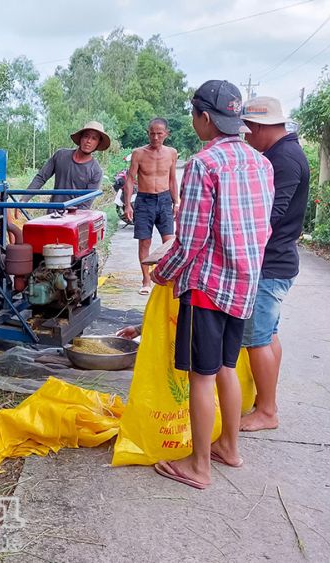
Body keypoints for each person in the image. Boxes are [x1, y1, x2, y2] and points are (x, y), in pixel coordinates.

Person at [150, 80, 274, 490]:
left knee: (201, 376)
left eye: (193, 114)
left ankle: (199, 466)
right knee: (226, 367)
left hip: (206, 287)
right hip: (243, 286)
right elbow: (263, 228)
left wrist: (162, 272)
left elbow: (191, 240)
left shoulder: (205, 164)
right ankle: (229, 448)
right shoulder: (261, 162)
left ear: (204, 117)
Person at [239, 96, 310, 432]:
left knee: (257, 339)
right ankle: (266, 402)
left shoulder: (285, 159)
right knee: (268, 335)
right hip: (277, 262)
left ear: (259, 127)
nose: (246, 139)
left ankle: (267, 412)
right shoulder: (281, 154)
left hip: (271, 264)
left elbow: (270, 215)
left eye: (247, 132)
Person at [123, 118, 179, 295]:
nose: (155, 137)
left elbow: (172, 179)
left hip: (164, 200)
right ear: (148, 133)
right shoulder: (138, 153)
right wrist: (127, 205)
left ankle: (166, 277)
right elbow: (130, 179)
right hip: (144, 200)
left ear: (166, 134)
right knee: (144, 241)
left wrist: (176, 201)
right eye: (152, 133)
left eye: (159, 133)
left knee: (169, 242)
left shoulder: (171, 153)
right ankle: (146, 280)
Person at [21, 121, 109, 209]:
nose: (89, 141)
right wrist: (24, 199)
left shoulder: (96, 171)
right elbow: (41, 178)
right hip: (53, 214)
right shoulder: (60, 156)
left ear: (98, 143)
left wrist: (71, 217)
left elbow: (85, 205)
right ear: (81, 138)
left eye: (94, 138)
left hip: (74, 218)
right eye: (86, 136)